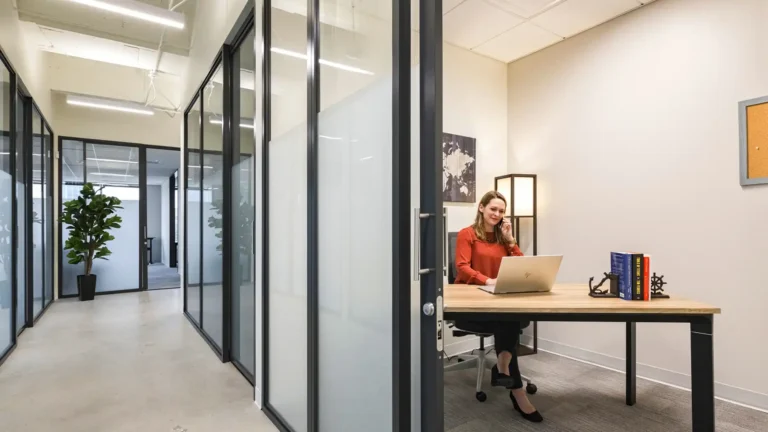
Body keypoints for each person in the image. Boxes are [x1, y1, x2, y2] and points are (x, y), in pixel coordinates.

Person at [453, 190, 543, 423]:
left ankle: (503, 365)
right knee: (509, 321)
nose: (497, 214)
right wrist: (487, 280)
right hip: (471, 302)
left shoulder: (504, 238)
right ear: (481, 208)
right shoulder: (467, 234)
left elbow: (522, 265)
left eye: (501, 211)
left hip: (498, 299)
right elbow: (462, 267)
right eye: (493, 208)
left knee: (510, 316)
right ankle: (517, 391)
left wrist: (511, 241)